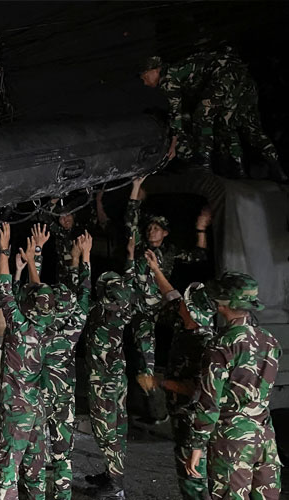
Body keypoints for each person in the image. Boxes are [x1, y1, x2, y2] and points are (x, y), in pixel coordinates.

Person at [186, 272, 282, 499]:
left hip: (232, 441)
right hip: (265, 437)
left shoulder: (220, 346)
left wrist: (197, 446)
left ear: (223, 305)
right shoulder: (269, 340)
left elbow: (209, 401)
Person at [140, 51, 285, 180]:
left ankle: (204, 162)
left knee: (202, 116)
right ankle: (274, 168)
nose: (145, 83)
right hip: (244, 81)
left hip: (224, 78)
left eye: (145, 77)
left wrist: (173, 144)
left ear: (155, 70)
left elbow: (175, 113)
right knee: (245, 127)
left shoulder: (168, 78)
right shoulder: (181, 69)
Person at [126, 176, 210, 397]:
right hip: (140, 307)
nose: (152, 231)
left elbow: (199, 255)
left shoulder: (171, 251)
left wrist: (201, 229)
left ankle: (189, 376)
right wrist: (135, 188)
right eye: (150, 228)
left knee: (191, 325)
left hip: (163, 307)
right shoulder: (139, 249)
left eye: (157, 228)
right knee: (145, 352)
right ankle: (150, 392)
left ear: (165, 233)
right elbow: (131, 220)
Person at [144, 249, 216, 500]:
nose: (182, 304)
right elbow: (171, 294)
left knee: (193, 476)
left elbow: (199, 389)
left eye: (187, 304)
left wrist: (161, 382)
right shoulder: (184, 321)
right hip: (180, 415)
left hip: (193, 419)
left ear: (195, 314)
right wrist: (155, 268)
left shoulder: (205, 345)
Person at [0, 222, 55, 500]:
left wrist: (4, 249)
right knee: (36, 470)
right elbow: (34, 291)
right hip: (36, 409)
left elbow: (4, 289)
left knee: (8, 470)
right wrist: (33, 256)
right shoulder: (45, 326)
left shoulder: (20, 326)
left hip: (16, 410)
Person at [42, 232, 92, 500]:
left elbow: (31, 290)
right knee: (63, 456)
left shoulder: (38, 326)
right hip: (63, 400)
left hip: (39, 397)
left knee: (35, 457)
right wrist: (84, 257)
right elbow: (84, 293)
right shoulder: (74, 327)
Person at [85, 237, 135, 499]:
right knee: (118, 429)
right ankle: (112, 473)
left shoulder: (99, 312)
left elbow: (84, 297)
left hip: (104, 380)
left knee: (106, 430)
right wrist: (129, 258)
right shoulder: (124, 311)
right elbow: (128, 289)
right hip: (117, 377)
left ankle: (115, 482)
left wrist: (83, 259)